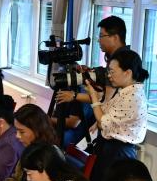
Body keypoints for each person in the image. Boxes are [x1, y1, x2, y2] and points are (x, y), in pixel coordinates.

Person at [85, 48, 149, 181]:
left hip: (118, 153)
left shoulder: (133, 96)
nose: (109, 76)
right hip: (111, 149)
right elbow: (106, 113)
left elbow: (103, 122)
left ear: (128, 73)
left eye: (112, 71)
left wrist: (94, 97)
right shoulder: (126, 91)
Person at [53, 15, 132, 148]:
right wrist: (90, 73)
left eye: (101, 36)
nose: (98, 40)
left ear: (115, 37)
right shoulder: (125, 57)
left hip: (114, 136)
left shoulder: (120, 62)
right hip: (113, 129)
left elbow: (106, 99)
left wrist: (74, 96)